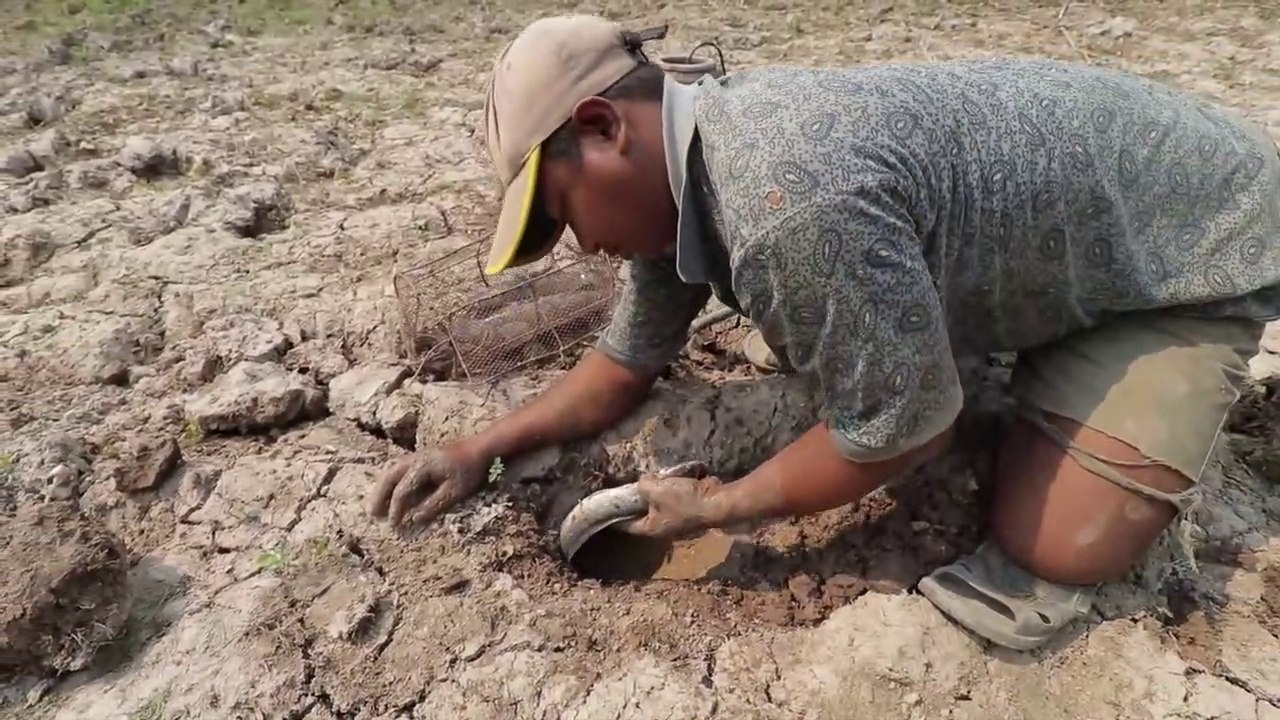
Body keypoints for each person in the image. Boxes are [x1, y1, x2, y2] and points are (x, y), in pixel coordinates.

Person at [368, 14, 1280, 650]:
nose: (586, 246)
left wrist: (718, 509)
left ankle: (1098, 345)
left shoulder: (780, 199)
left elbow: (905, 428)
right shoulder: (685, 179)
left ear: (605, 127)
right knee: (839, 341)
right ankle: (1032, 331)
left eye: (564, 213)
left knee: (1056, 550)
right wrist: (477, 447)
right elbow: (623, 362)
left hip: (1191, 249)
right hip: (1079, 230)